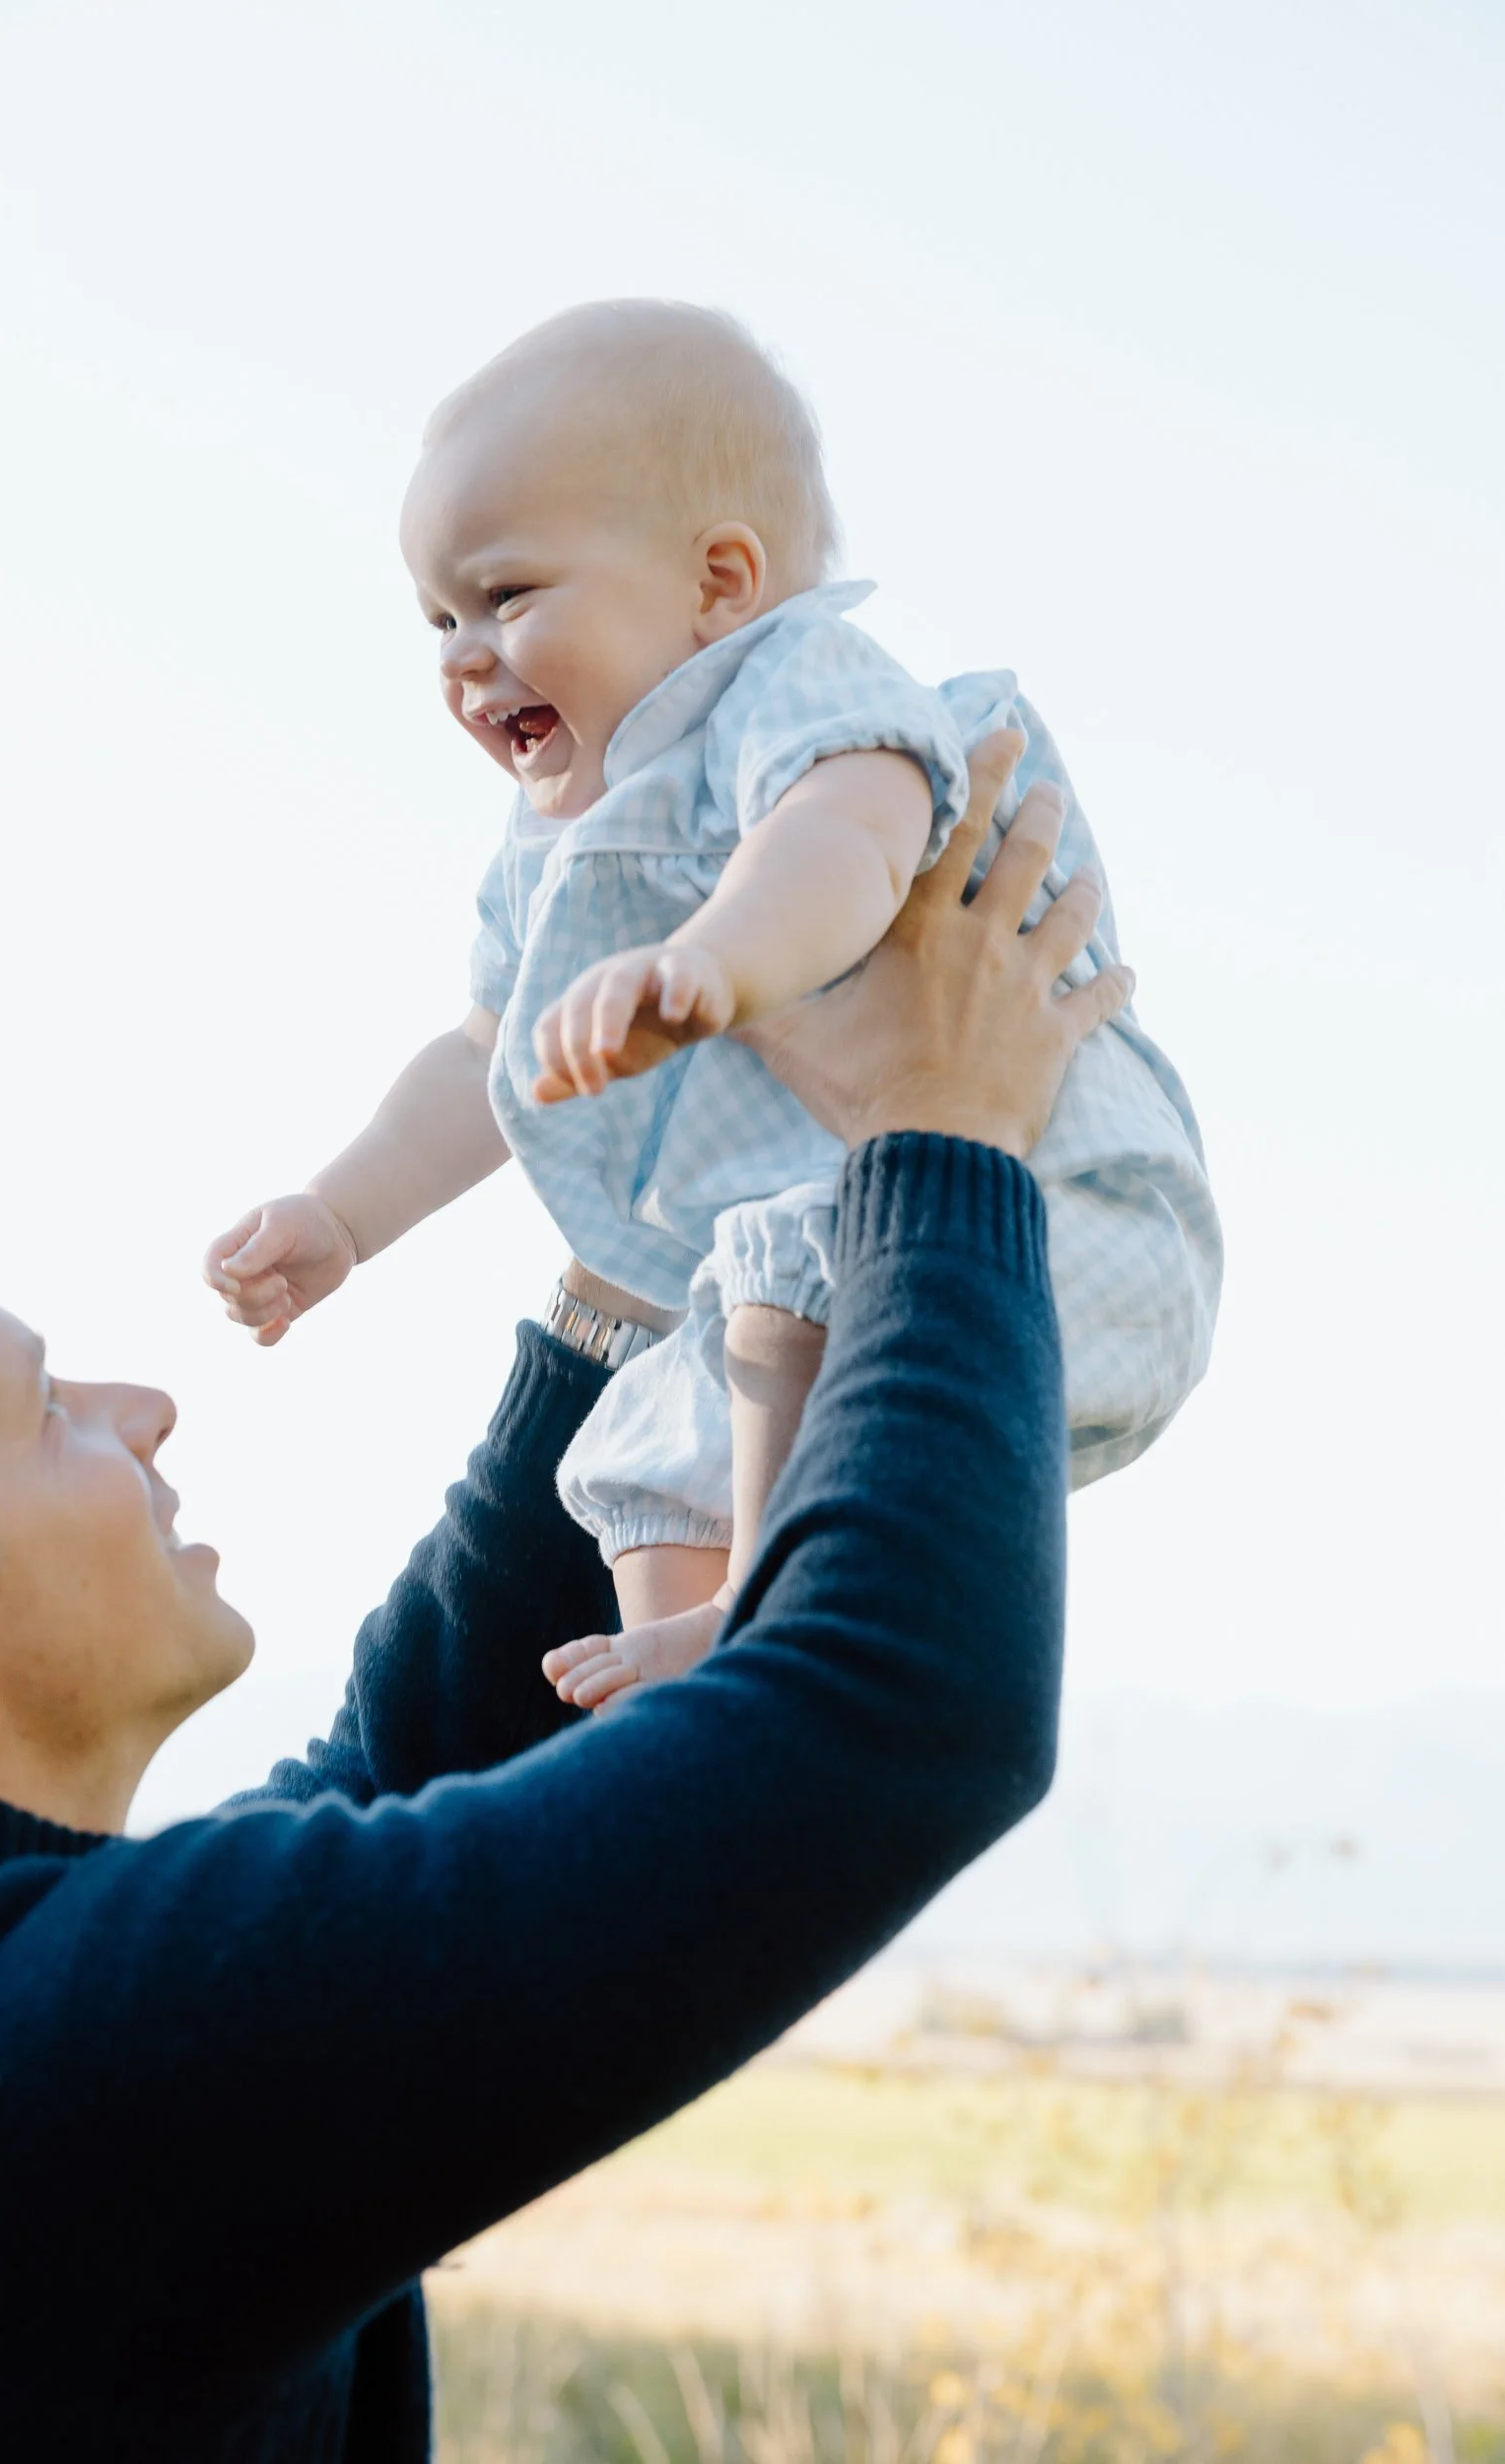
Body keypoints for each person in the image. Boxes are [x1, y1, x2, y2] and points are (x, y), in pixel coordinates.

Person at [0, 764, 1129, 2461]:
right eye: (42, 1413)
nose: (142, 1404)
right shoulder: (17, 2074)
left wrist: (627, 1271)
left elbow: (402, 1774)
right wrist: (941, 1143)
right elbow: (893, 1722)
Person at [205, 300, 1221, 1709]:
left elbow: (846, 843)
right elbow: (482, 1055)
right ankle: (677, 1700)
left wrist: (718, 963)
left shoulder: (792, 688)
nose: (459, 654)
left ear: (720, 582)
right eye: (437, 617)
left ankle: (764, 1609)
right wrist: (341, 1215)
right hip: (819, 1262)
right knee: (637, 1455)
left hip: (1052, 1217)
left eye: (506, 597)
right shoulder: (551, 849)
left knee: (765, 1281)